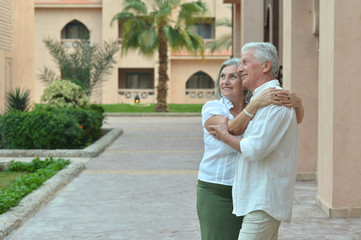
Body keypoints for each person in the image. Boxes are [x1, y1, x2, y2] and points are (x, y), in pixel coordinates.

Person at [197, 57, 304, 240]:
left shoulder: (259, 106)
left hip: (248, 190)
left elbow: (293, 120)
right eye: (222, 76)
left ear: (243, 82)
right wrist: (255, 104)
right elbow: (231, 128)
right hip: (217, 190)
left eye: (233, 76)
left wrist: (298, 103)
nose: (225, 81)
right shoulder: (212, 107)